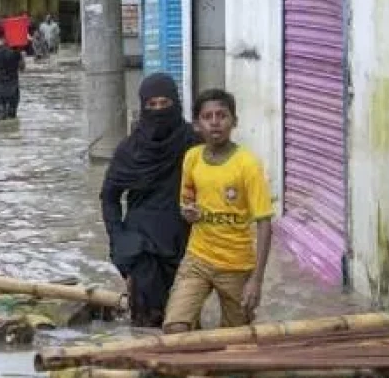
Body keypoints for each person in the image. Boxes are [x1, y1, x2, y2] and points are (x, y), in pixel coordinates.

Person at [163, 89, 274, 333]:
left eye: (222, 116)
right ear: (196, 125)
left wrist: (256, 280)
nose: (215, 122)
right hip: (197, 259)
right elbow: (187, 204)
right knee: (175, 327)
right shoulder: (192, 158)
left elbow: (264, 223)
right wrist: (188, 212)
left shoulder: (248, 165)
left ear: (234, 121)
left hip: (236, 265)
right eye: (207, 116)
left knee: (235, 340)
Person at [101, 73, 202, 328]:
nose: (158, 110)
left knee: (185, 319)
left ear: (176, 104)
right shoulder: (129, 150)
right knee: (147, 320)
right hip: (141, 243)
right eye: (152, 105)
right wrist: (118, 236)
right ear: (143, 106)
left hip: (186, 240)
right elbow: (110, 197)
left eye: (164, 104)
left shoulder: (194, 144)